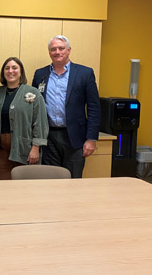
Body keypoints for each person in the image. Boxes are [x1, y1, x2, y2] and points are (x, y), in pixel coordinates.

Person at [32, 35, 101, 178]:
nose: (57, 52)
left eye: (61, 48)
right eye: (53, 49)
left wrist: (91, 139)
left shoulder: (84, 73)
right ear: (49, 52)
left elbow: (94, 108)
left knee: (73, 180)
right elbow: (35, 107)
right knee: (51, 180)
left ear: (69, 50)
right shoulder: (40, 74)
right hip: (48, 137)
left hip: (75, 138)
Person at [0, 57, 49, 179]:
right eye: (7, 68)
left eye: (14, 68)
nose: (11, 71)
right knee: (3, 186)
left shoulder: (34, 93)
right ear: (3, 72)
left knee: (25, 188)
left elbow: (40, 122)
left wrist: (35, 148)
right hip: (1, 151)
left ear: (21, 71)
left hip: (25, 150)